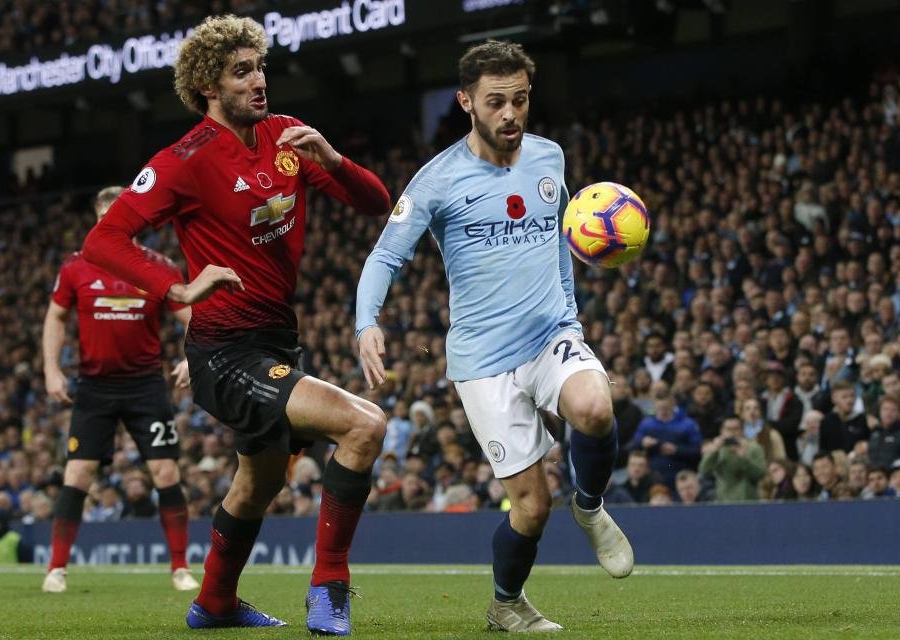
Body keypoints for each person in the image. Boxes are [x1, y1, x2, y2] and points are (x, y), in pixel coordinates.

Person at [82, 14, 391, 635]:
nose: (258, 82)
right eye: (241, 72)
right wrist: (176, 287)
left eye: (260, 68)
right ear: (208, 88)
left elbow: (375, 204)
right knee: (364, 425)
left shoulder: (286, 138)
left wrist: (331, 156)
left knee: (260, 482)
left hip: (277, 341)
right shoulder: (184, 160)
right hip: (223, 352)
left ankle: (214, 604)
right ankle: (330, 589)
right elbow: (104, 239)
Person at [356, 40, 633, 633]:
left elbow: (559, 240)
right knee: (531, 509)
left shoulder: (550, 157)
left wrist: (571, 315)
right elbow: (384, 257)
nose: (511, 114)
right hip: (482, 360)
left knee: (595, 406)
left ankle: (590, 507)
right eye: (497, 102)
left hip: (549, 333)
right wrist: (366, 323)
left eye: (521, 100)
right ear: (467, 103)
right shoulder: (437, 180)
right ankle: (506, 603)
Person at [42, 185, 198, 594]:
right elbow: (55, 317)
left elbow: (192, 318)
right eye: (104, 220)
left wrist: (192, 357)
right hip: (94, 387)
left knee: (166, 472)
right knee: (78, 474)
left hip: (145, 385)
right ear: (97, 222)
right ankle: (56, 568)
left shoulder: (158, 266)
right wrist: (50, 370)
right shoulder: (76, 268)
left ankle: (181, 568)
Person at [698, 416, 767, 502]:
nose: (732, 433)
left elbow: (761, 474)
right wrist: (714, 452)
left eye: (735, 429)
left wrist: (743, 458)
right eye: (728, 429)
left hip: (748, 501)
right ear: (722, 431)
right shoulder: (717, 449)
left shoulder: (754, 448)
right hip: (723, 501)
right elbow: (704, 471)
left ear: (742, 430)